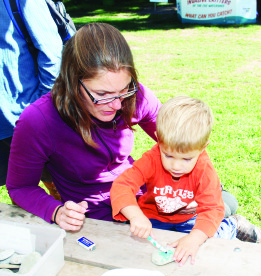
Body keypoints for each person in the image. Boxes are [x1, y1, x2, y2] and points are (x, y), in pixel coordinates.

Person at [6, 23, 237, 232]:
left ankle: (226, 214)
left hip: (145, 201)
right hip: (95, 218)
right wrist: (56, 212)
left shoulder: (134, 96)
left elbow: (183, 139)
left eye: (124, 89)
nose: (117, 104)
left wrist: (203, 183)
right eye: (102, 94)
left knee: (200, 227)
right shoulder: (38, 121)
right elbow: (20, 187)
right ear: (71, 81)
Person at [110, 96, 261, 266]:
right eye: (168, 155)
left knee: (208, 243)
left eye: (187, 159)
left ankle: (233, 225)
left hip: (191, 217)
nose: (176, 166)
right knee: (141, 244)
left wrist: (194, 239)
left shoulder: (204, 169)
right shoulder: (151, 159)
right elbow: (123, 185)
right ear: (158, 139)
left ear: (202, 148)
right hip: (154, 216)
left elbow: (212, 208)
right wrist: (136, 216)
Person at [0, 0, 63, 199]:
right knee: (19, 196)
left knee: (63, 195)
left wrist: (37, 108)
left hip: (24, 118)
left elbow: (53, 56)